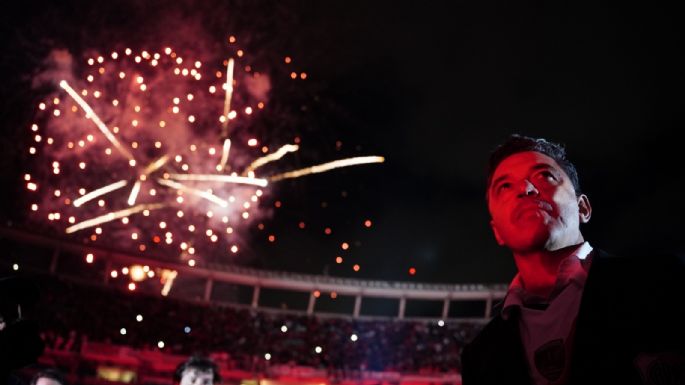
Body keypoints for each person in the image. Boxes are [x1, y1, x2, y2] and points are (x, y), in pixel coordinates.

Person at [461, 135, 685, 385]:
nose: (525, 189)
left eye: (544, 175)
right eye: (504, 186)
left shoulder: (665, 282)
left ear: (583, 208)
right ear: (497, 231)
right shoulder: (479, 356)